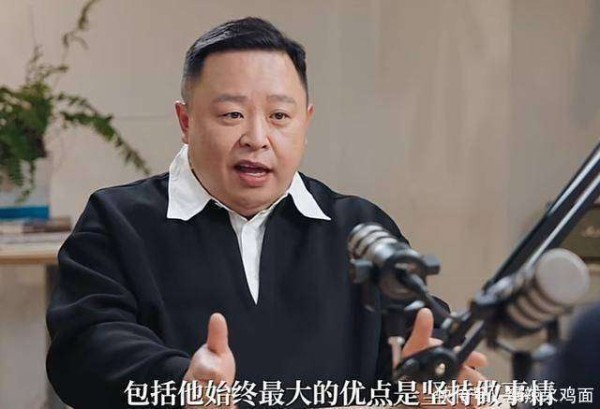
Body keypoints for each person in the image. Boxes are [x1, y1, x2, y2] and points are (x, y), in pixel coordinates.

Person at [46, 17, 486, 409]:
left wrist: (435, 381)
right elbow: (84, 348)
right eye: (232, 114)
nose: (256, 137)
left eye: (278, 115)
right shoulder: (118, 220)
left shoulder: (360, 228)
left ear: (305, 123)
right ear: (185, 121)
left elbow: (422, 342)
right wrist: (181, 383)